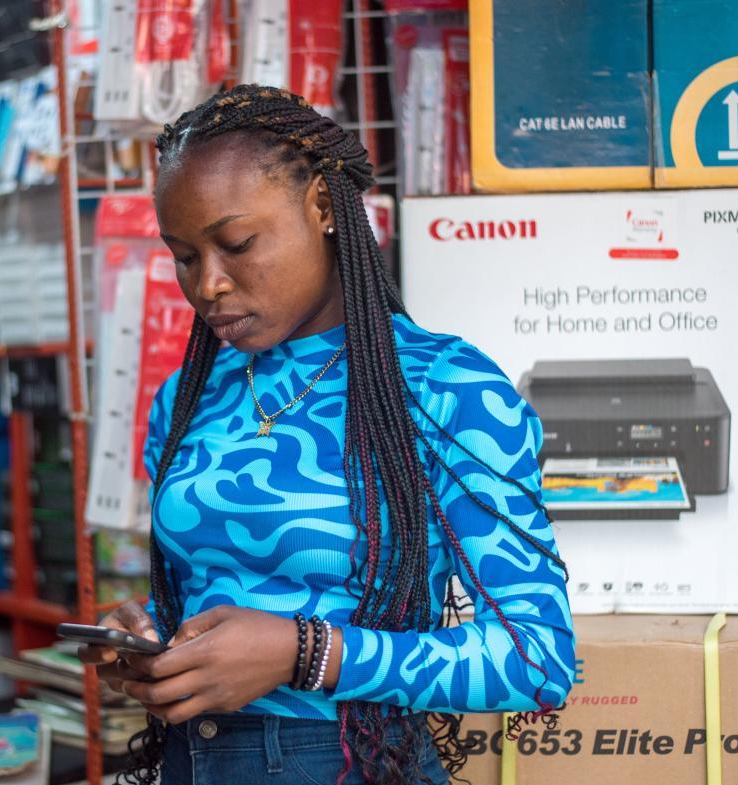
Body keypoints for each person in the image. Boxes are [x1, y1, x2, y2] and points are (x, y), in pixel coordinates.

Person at [80, 84, 575, 785]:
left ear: (320, 206)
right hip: (194, 762)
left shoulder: (446, 388)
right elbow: (218, 593)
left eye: (237, 243)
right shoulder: (188, 396)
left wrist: (304, 652)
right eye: (185, 256)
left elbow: (537, 659)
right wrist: (158, 636)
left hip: (351, 763)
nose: (209, 285)